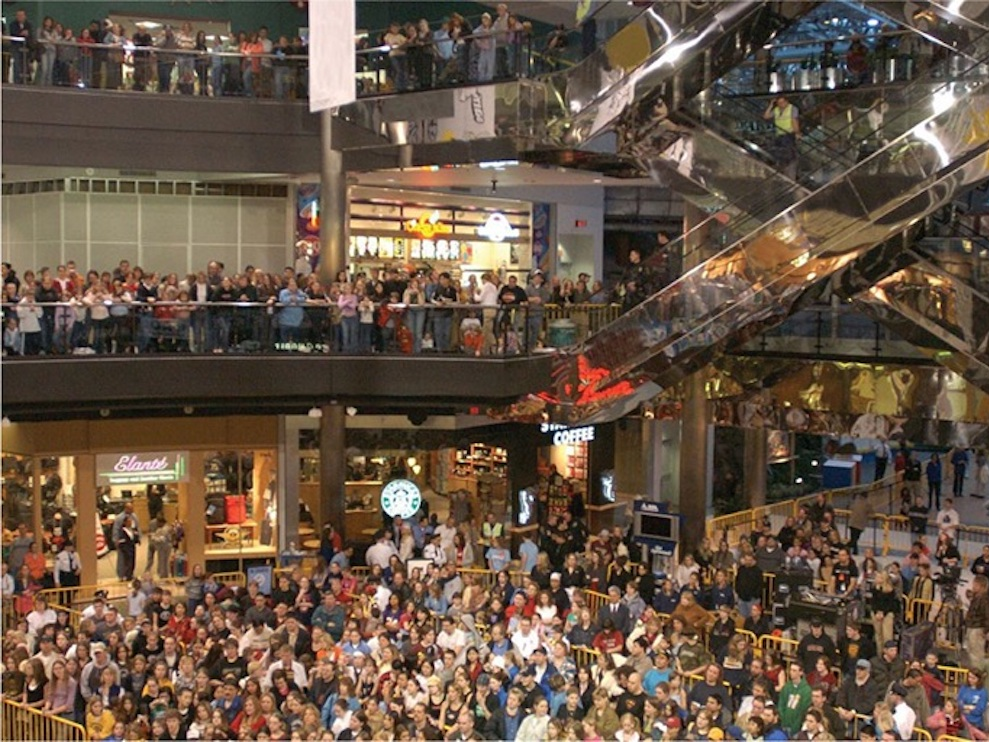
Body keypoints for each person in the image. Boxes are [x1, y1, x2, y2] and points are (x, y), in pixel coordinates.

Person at [763, 95, 801, 179]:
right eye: (779, 103)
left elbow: (794, 120)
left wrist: (797, 132)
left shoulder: (792, 108)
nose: (781, 104)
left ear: (786, 102)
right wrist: (771, 105)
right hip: (779, 134)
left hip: (788, 134)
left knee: (789, 155)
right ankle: (784, 171)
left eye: (782, 102)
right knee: (781, 154)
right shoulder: (776, 110)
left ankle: (791, 174)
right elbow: (766, 116)